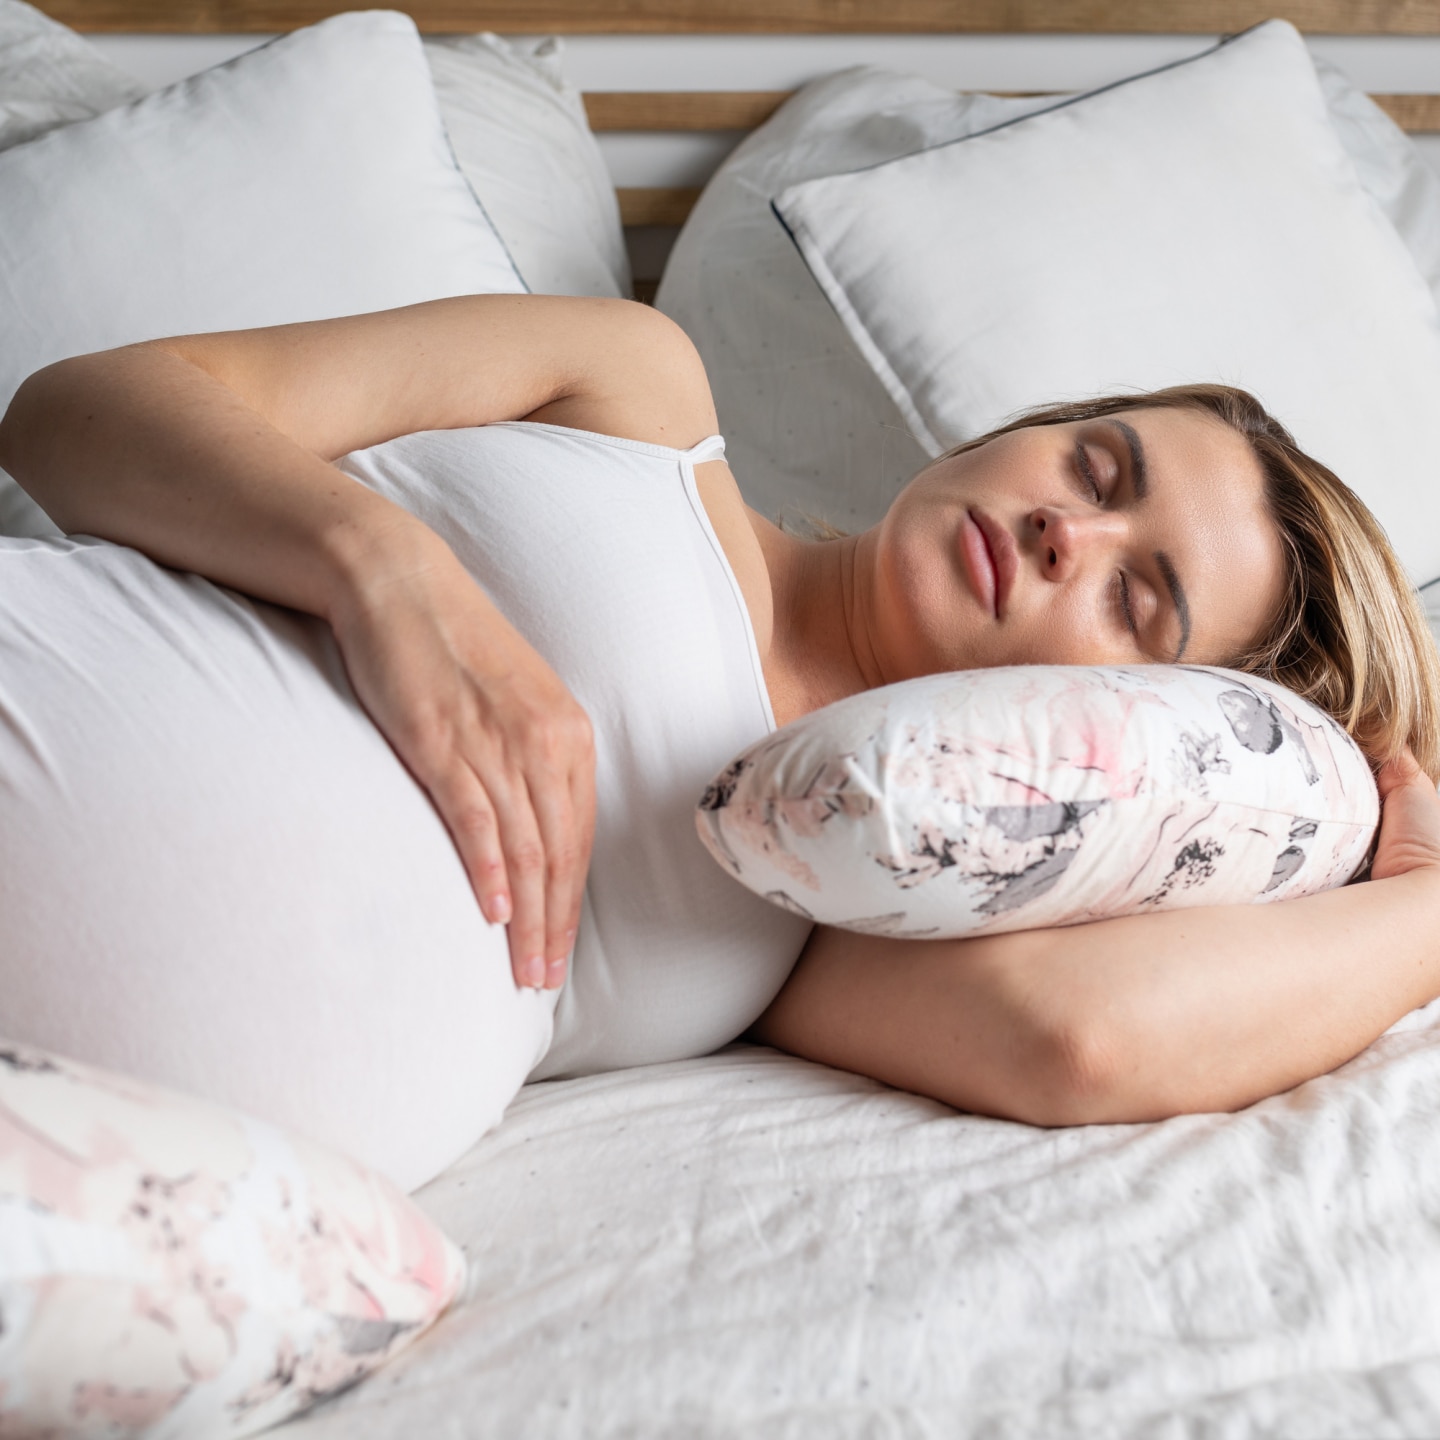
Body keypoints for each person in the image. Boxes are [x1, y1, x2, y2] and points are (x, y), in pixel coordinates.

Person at [3, 292, 1440, 1183]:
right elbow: (72, 412)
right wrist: (384, 573)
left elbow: (1084, 1044)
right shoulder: (633, 391)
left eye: (1139, 600)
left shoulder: (837, 896)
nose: (1073, 526)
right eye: (1095, 462)